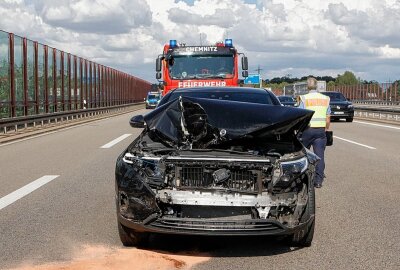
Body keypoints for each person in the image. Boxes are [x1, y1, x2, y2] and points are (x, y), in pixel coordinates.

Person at [298, 77, 331, 188]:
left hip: (307, 130)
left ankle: (302, 178)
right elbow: (328, 118)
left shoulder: (303, 98)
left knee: (302, 154)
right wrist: (325, 129)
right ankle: (318, 181)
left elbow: (301, 116)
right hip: (320, 131)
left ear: (307, 86)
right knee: (319, 156)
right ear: (316, 86)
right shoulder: (325, 99)